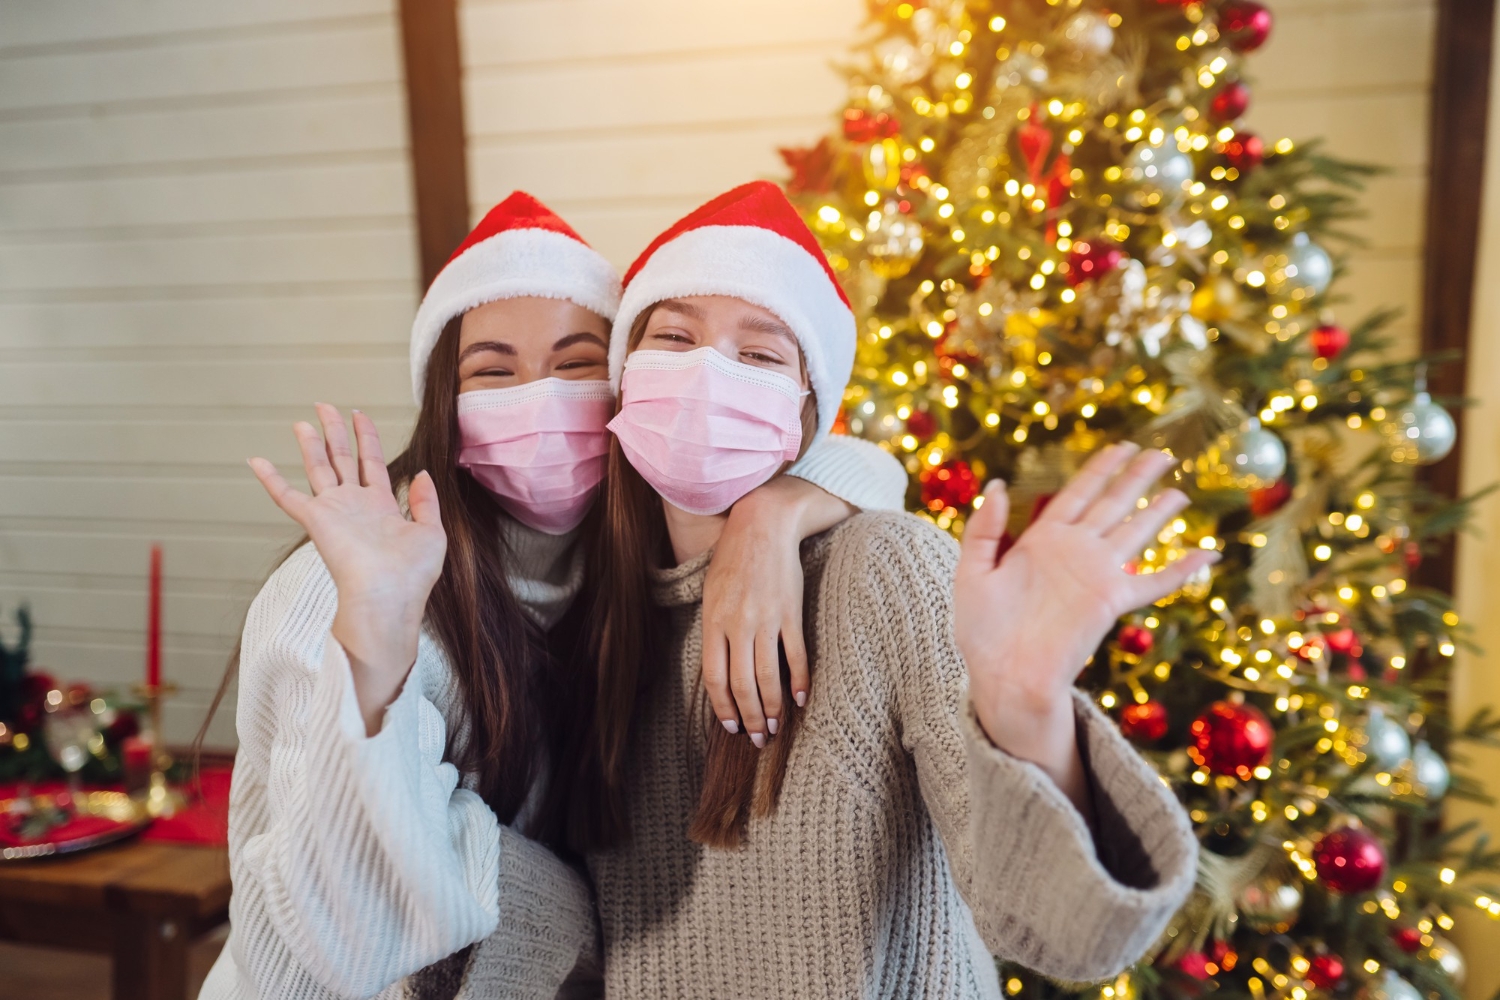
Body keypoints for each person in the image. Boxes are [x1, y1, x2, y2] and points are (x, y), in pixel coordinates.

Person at [198, 192, 907, 1000]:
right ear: (445, 405)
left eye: (575, 364)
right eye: (493, 372)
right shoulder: (350, 580)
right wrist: (376, 635)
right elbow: (347, 930)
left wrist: (771, 518)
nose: (538, 398)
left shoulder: (630, 546)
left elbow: (870, 464)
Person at [576, 181, 1209, 998]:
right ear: (625, 374)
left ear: (805, 411)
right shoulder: (591, 613)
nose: (707, 372)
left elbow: (1060, 933)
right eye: (673, 336)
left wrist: (1024, 712)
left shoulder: (884, 567)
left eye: (760, 355)